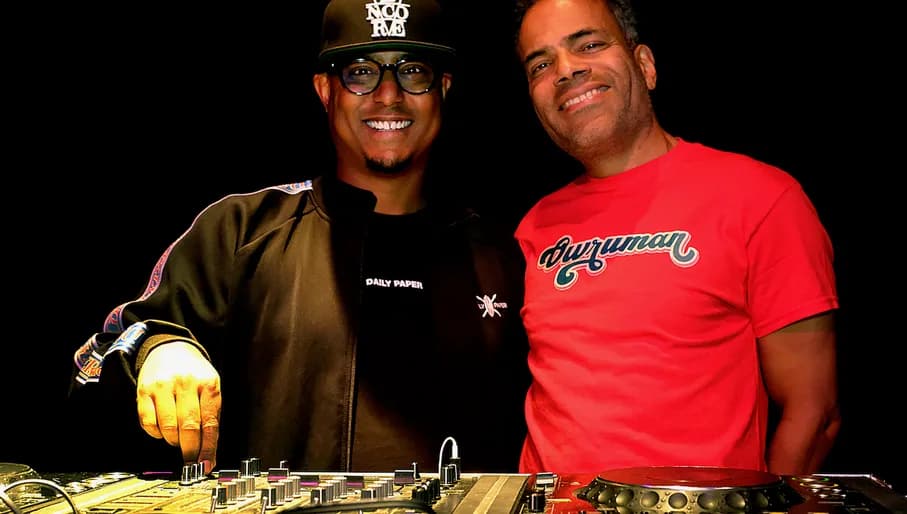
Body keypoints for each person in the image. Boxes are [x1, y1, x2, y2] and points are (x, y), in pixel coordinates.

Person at [67, 0, 530, 476]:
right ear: (325, 91)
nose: (389, 94)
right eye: (360, 72)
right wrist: (159, 349)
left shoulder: (502, 255)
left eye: (413, 72)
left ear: (443, 90)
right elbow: (99, 361)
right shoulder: (241, 230)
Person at [511, 0, 841, 476]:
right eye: (540, 65)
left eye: (589, 44)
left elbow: (814, 413)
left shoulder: (762, 198)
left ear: (645, 66)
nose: (566, 70)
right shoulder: (534, 227)